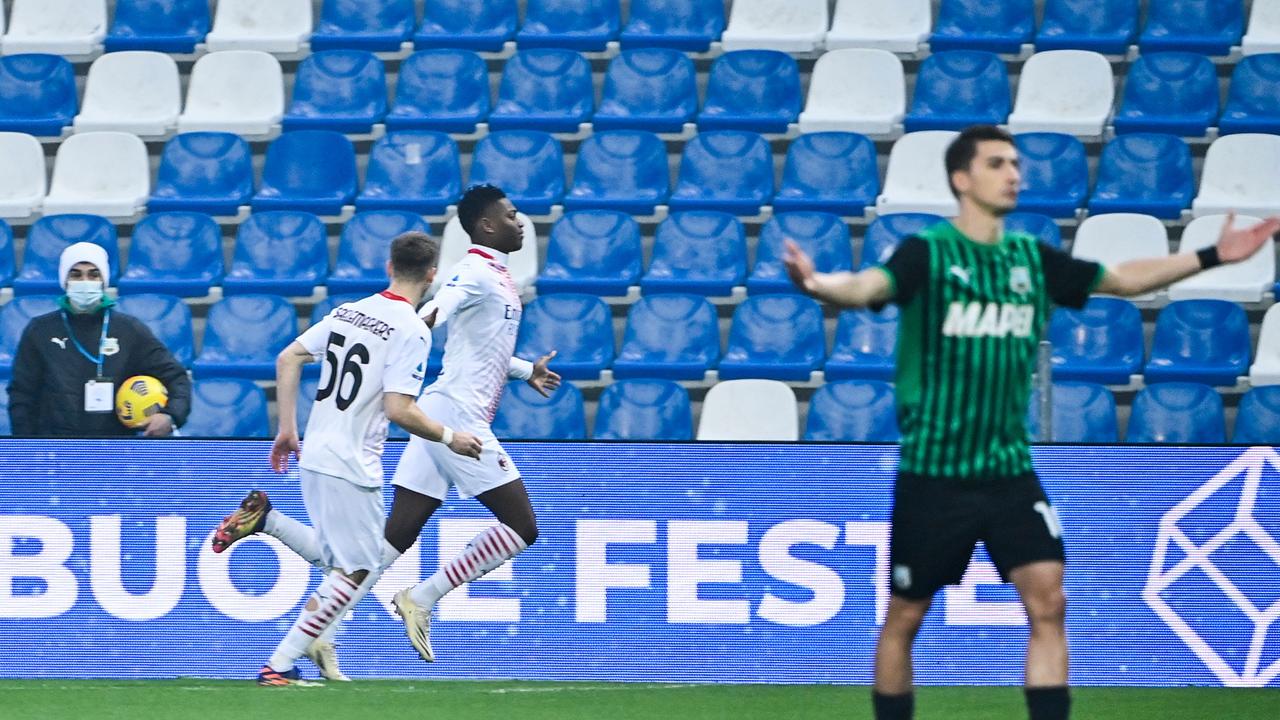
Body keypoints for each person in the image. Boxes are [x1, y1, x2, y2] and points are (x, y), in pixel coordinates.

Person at [782, 125, 1280, 720]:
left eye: (1016, 163)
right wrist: (817, 284)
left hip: (1010, 474)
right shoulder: (929, 253)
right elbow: (868, 285)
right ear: (962, 179)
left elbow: (1120, 279)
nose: (1014, 173)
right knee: (905, 617)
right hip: (934, 475)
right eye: (998, 163)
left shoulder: (1032, 261)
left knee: (1049, 602)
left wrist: (1210, 256)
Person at [214, 231, 484, 686]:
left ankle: (268, 522)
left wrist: (286, 429)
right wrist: (450, 436)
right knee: (358, 570)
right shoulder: (412, 328)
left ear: (388, 267)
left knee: (339, 562)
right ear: (432, 275)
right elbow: (400, 409)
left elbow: (288, 357)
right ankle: (278, 666)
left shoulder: (349, 311)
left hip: (316, 451)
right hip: (351, 463)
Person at [386, 184, 559, 663]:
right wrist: (409, 333)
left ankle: (318, 629)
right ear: (486, 225)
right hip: (457, 417)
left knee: (394, 537)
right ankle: (421, 598)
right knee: (522, 527)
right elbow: (433, 315)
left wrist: (527, 371)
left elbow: (482, 348)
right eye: (511, 214)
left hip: (443, 409)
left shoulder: (499, 278)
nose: (520, 221)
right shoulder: (474, 272)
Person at [7, 242, 190, 437]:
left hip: (115, 448)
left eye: (93, 274)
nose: (85, 281)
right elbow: (22, 396)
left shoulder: (129, 330)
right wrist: (27, 449)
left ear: (103, 281)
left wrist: (170, 416)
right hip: (56, 449)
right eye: (76, 274)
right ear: (65, 281)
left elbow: (176, 377)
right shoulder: (40, 330)